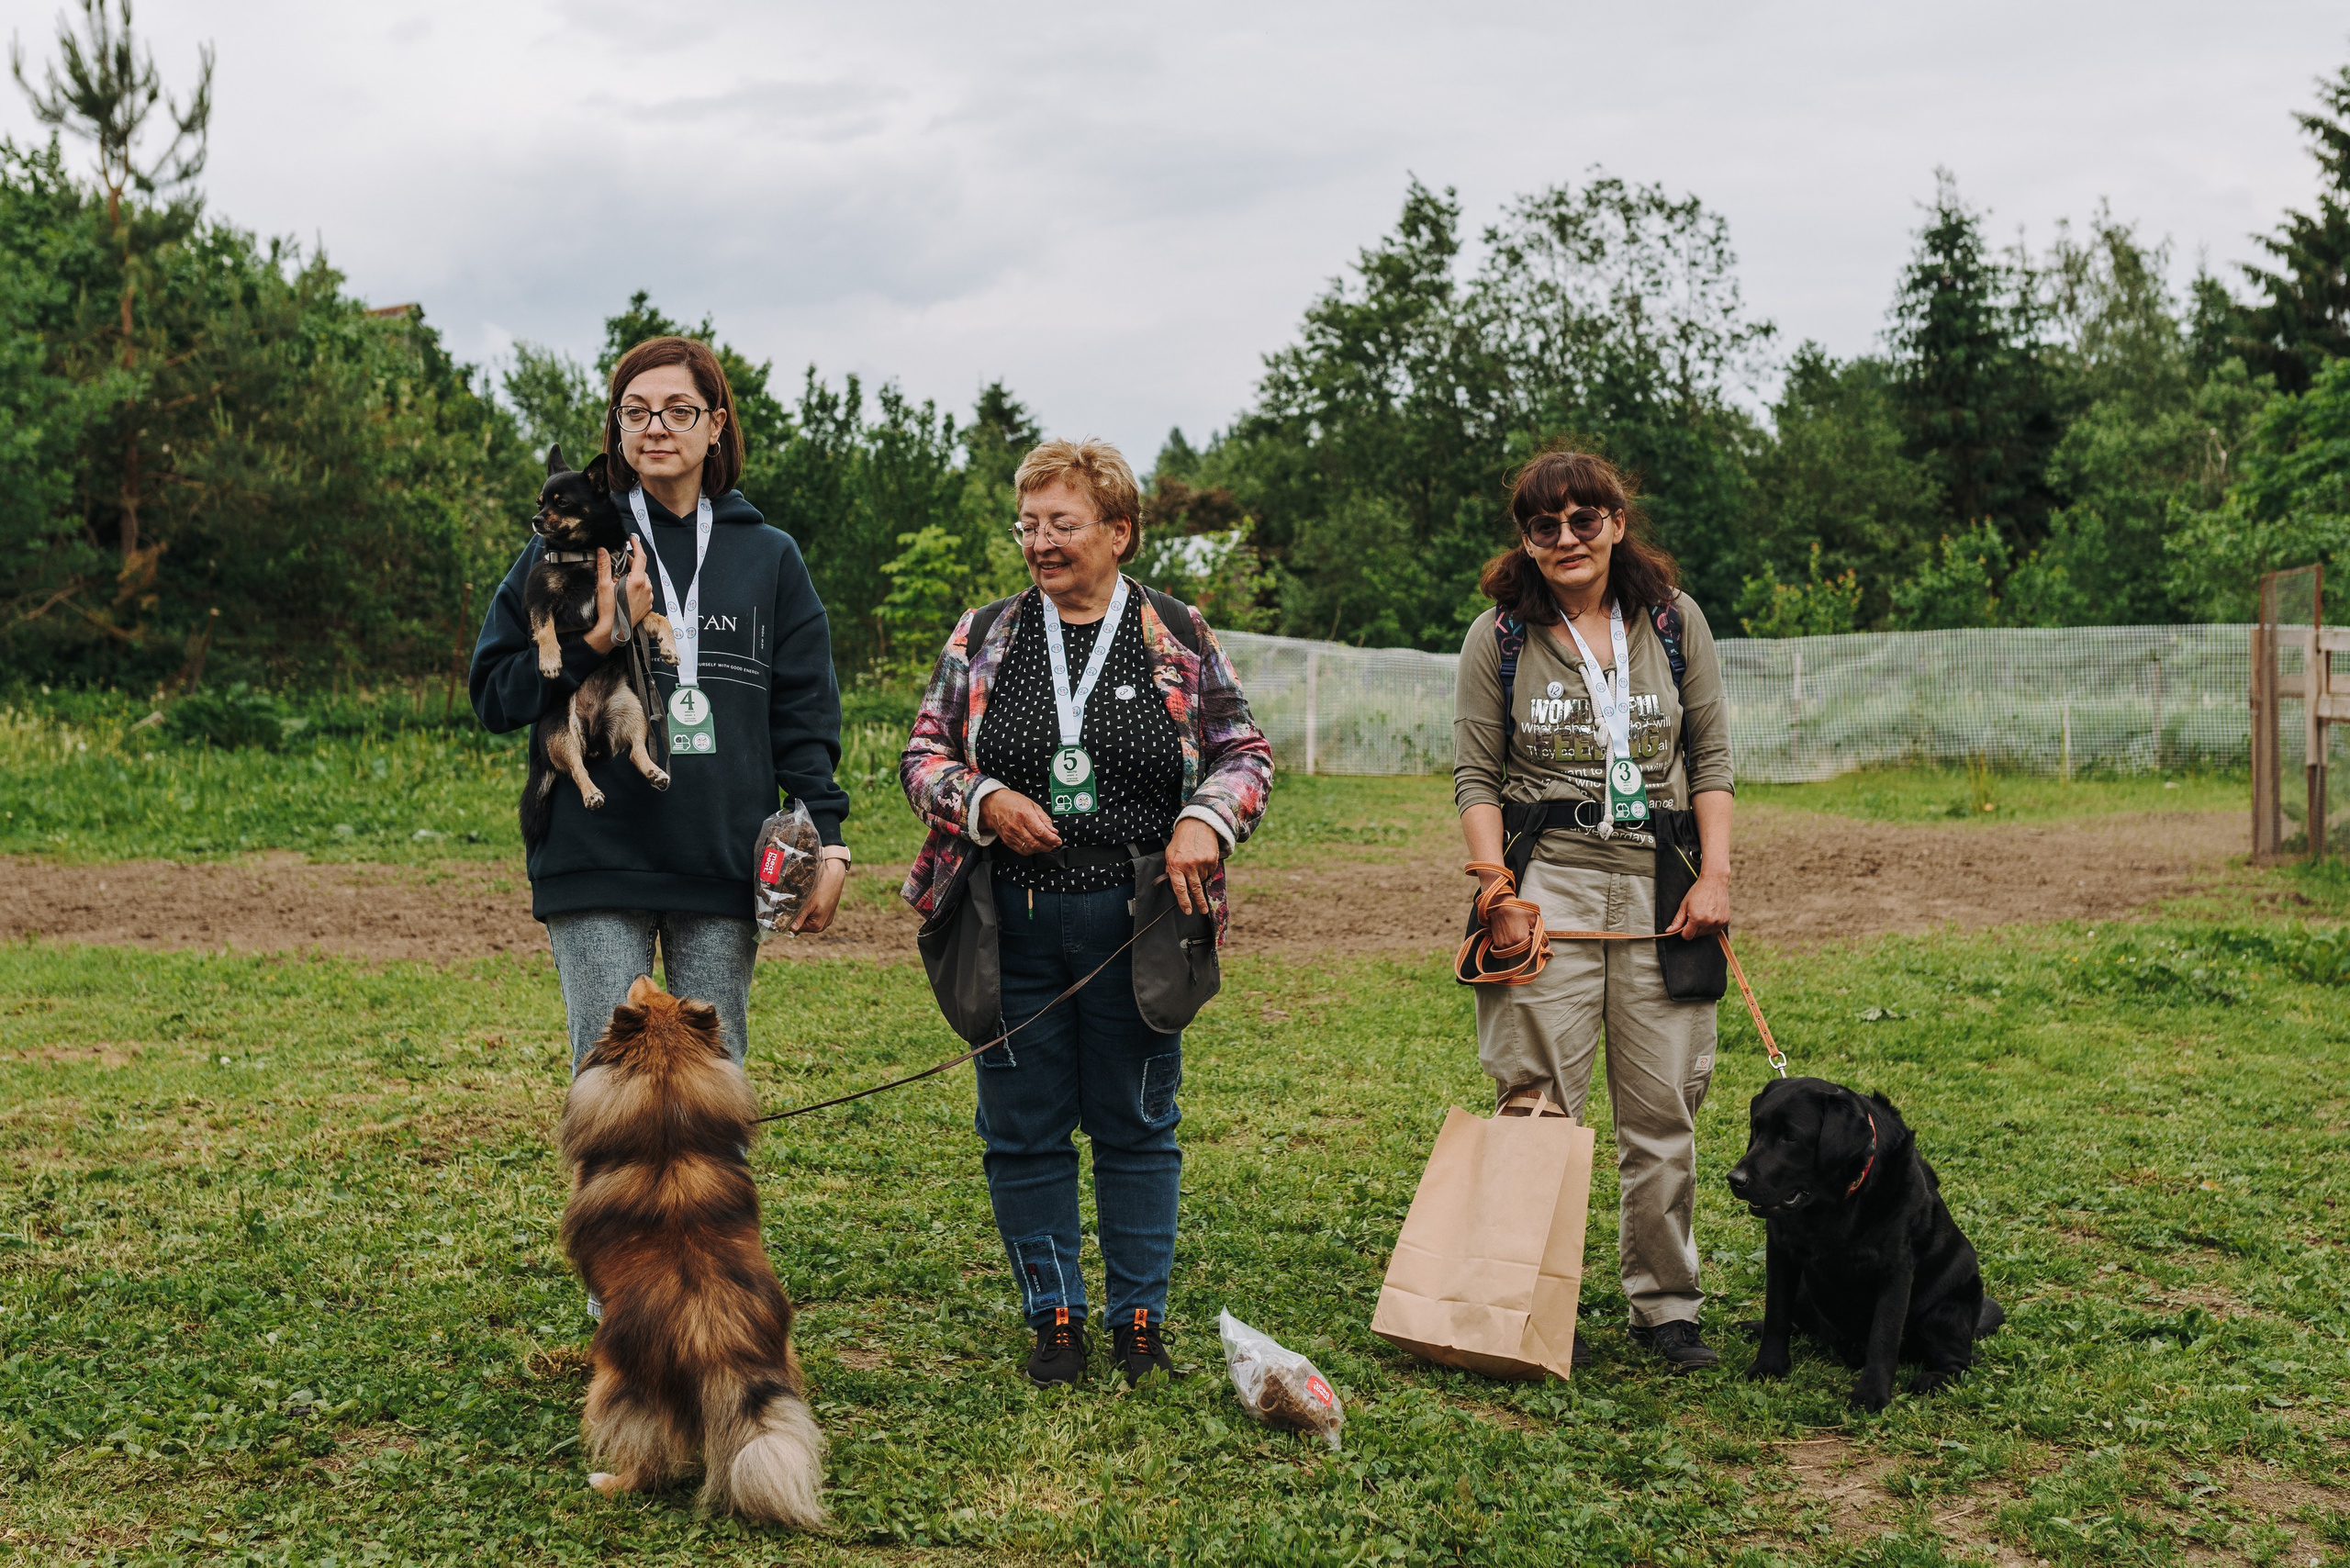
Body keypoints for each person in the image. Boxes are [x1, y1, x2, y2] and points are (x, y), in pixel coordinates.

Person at [900, 438, 1272, 1387]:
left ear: (1118, 530)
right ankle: (1053, 1316)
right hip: (1007, 921)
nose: (1039, 542)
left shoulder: (1177, 630)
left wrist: (1204, 820)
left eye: (1061, 524)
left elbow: (1245, 752)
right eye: (1027, 525)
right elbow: (922, 755)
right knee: (1019, 1125)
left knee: (1137, 1121)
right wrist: (979, 799)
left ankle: (1138, 1322)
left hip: (1139, 918)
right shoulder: (984, 633)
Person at [471, 335, 852, 1079]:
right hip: (596, 855)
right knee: (611, 1087)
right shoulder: (568, 545)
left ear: (716, 426)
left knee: (715, 1084)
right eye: (636, 411)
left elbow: (804, 715)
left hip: (721, 856)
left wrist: (826, 837)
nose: (656, 427)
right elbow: (494, 692)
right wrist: (596, 640)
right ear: (616, 429)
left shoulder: (770, 555)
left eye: (679, 410)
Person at [1452, 449, 1734, 1372]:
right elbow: (1475, 777)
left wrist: (1716, 875)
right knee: (1536, 1103)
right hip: (1547, 882)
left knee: (1663, 1108)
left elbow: (1711, 761)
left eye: (1584, 519)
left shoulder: (1671, 621)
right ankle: (1525, 1301)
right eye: (1544, 525)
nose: (1565, 538)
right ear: (1525, 539)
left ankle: (1666, 1307)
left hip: (1661, 880)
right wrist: (1497, 892)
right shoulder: (1497, 637)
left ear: (1617, 519)